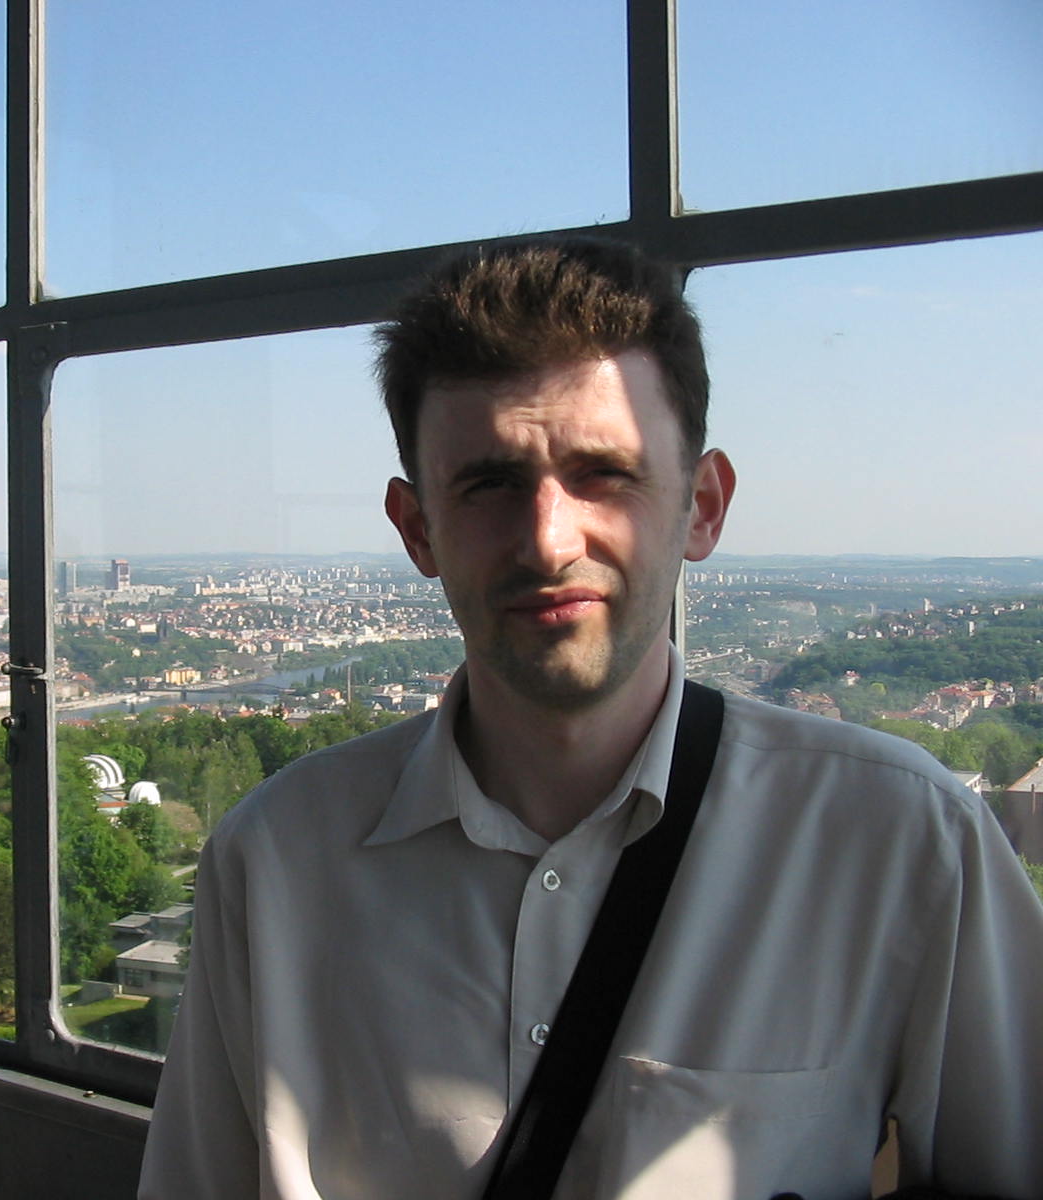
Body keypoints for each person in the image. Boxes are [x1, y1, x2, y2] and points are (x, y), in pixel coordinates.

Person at [137, 238, 1043, 1200]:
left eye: (604, 472)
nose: (548, 540)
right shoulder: (275, 865)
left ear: (703, 507)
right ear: (417, 529)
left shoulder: (901, 840)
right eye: (490, 483)